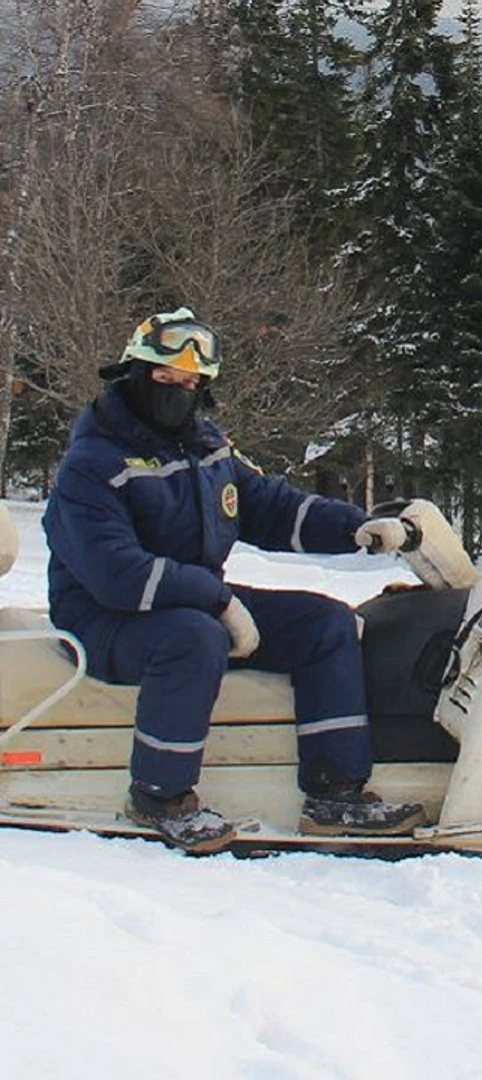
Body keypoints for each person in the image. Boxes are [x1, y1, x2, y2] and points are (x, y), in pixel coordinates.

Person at [43, 307, 426, 854]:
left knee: (326, 623)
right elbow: (116, 575)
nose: (179, 392)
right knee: (193, 638)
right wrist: (218, 602)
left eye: (191, 384)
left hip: (195, 600)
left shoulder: (205, 447)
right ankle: (160, 793)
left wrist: (358, 528)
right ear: (132, 374)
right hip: (103, 619)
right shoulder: (92, 463)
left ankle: (335, 790)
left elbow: (267, 506)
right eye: (165, 379)